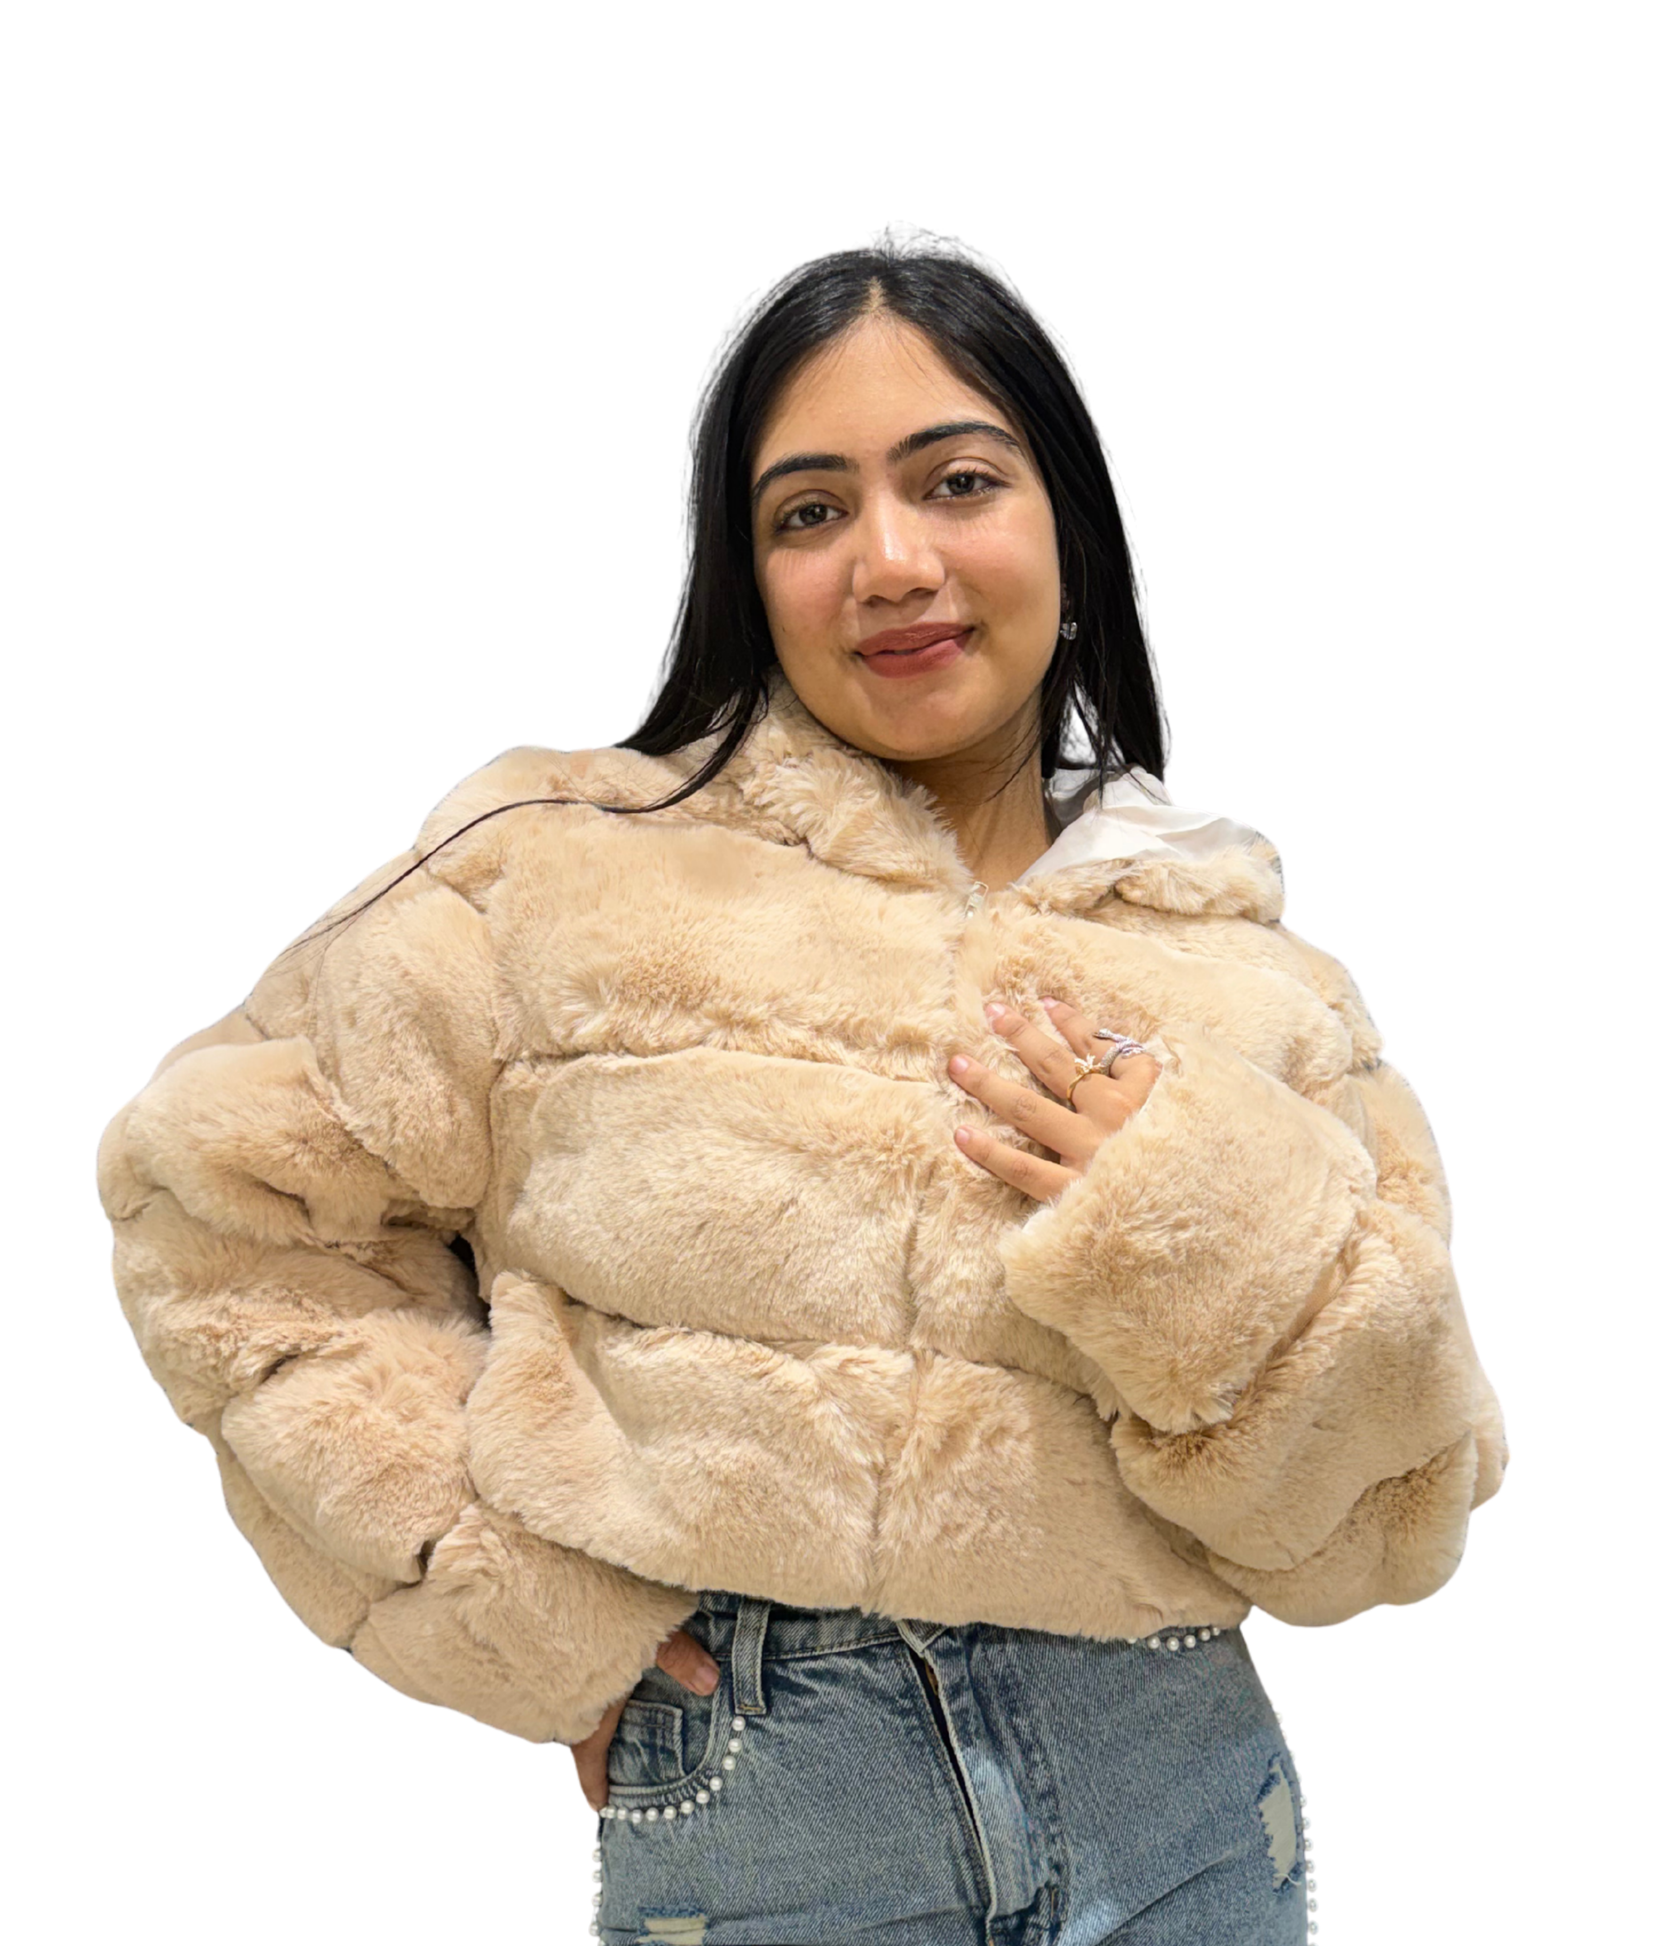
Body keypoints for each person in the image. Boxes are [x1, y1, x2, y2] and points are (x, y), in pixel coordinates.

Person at [97, 237, 1509, 1945]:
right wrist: (509, 1603)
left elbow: (1384, 1524)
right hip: (774, 1793)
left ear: (1067, 523)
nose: (890, 561)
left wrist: (1197, 1224)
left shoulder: (1260, 977)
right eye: (810, 511)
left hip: (1181, 1798)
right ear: (745, 573)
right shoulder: (557, 876)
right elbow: (218, 1211)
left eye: (957, 482)